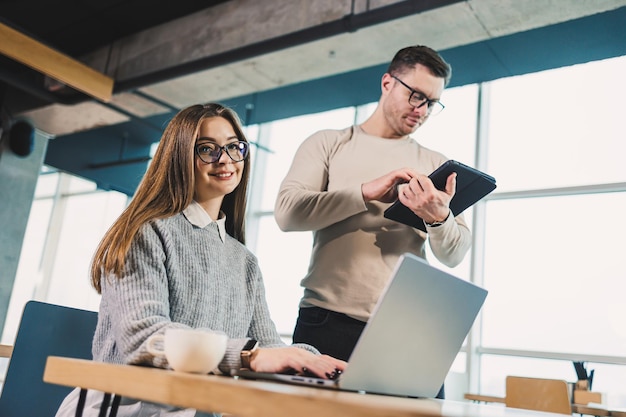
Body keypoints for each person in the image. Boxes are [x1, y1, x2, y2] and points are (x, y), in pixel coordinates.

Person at [56, 103, 346, 417]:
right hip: (126, 408)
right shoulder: (145, 232)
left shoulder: (244, 261)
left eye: (235, 147)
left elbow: (268, 345)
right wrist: (249, 355)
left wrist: (317, 362)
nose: (225, 159)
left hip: (194, 410)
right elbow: (144, 339)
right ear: (179, 156)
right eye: (207, 149)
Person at [274, 45, 472, 398]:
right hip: (328, 320)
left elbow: (455, 254)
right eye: (415, 96)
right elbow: (288, 213)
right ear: (387, 83)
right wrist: (366, 191)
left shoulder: (435, 164)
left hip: (409, 327)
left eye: (432, 103)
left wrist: (439, 218)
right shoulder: (329, 143)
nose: (422, 109)